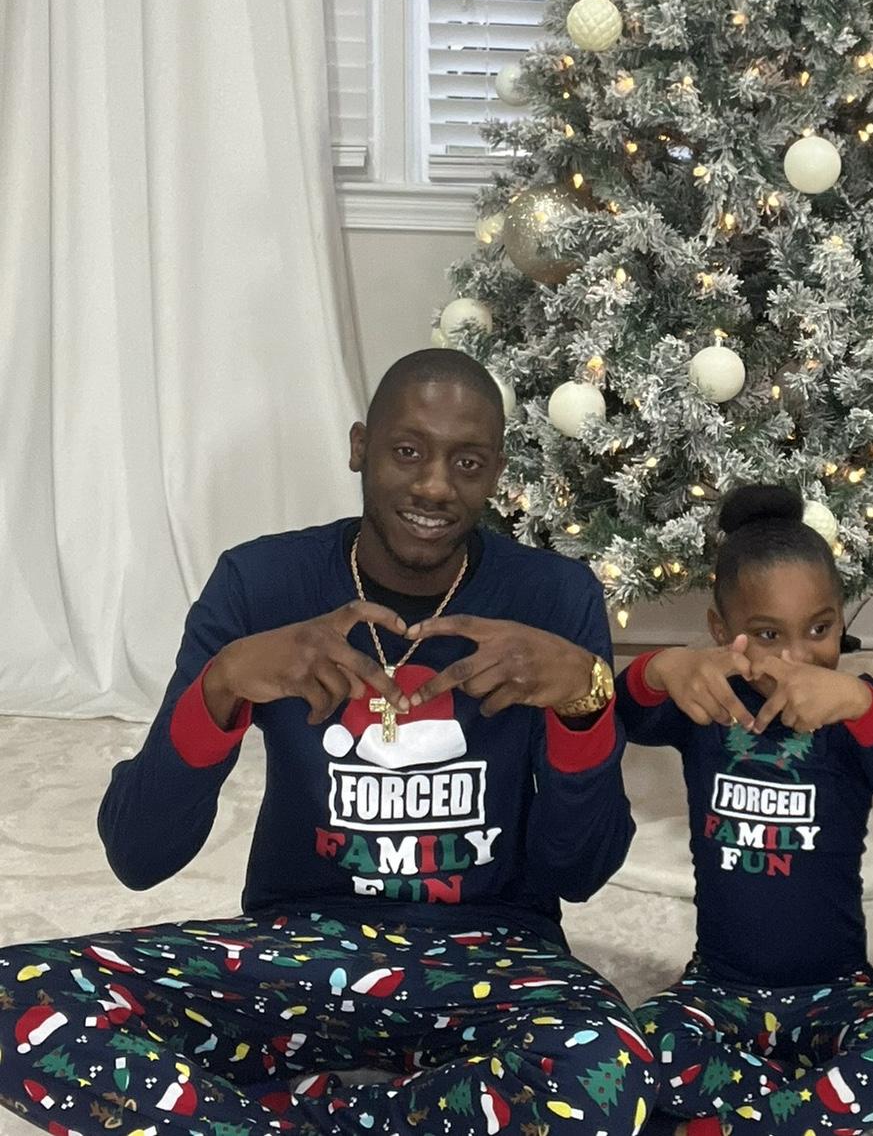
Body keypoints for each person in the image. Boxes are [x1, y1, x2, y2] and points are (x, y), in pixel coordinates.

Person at [0, 349, 655, 1136]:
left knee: (609, 1062)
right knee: (14, 999)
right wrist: (221, 685)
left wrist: (586, 703)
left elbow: (579, 872)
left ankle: (291, 1118)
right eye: (407, 450)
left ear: (496, 474)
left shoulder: (553, 596)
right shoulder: (259, 583)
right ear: (359, 448)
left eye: (467, 462)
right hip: (295, 954)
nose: (435, 486)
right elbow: (139, 854)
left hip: (496, 958)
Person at [616, 486, 873, 1136]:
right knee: (637, 1043)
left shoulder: (853, 704)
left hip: (839, 990)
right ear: (722, 632)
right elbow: (622, 714)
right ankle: (824, 1112)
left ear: (842, 618)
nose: (797, 657)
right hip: (718, 987)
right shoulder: (708, 703)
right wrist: (663, 667)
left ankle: (738, 1121)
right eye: (769, 634)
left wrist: (864, 707)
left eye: (819, 629)